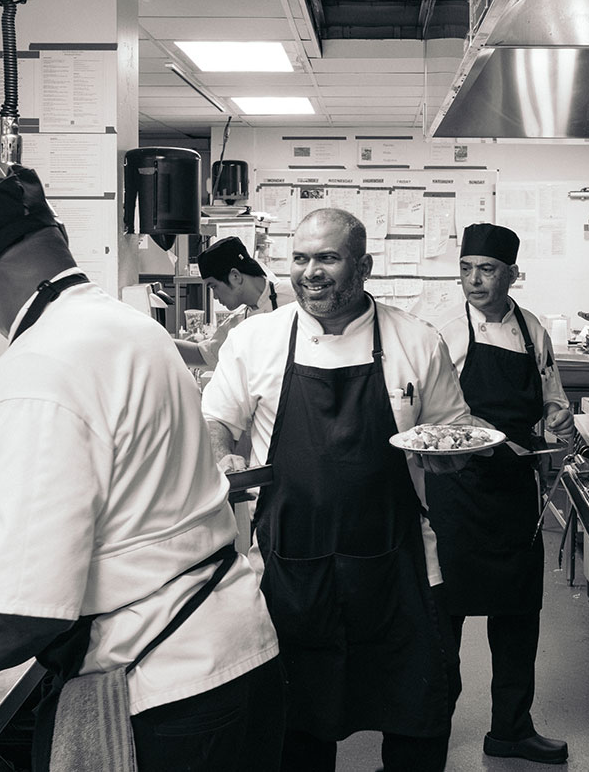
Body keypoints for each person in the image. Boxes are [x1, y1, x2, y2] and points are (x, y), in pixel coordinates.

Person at [0, 166, 285, 772]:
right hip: (239, 649)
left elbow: (22, 614)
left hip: (165, 687)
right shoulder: (134, 330)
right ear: (60, 237)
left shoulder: (28, 376)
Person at [203, 207, 476, 772]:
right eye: (300, 258)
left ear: (364, 265)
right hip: (289, 568)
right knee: (296, 731)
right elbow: (220, 422)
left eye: (327, 258)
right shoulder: (256, 340)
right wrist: (220, 454)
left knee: (418, 719)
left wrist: (453, 456)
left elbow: (454, 429)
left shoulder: (416, 341)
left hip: (399, 567)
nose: (311, 272)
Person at [429, 223, 576, 765]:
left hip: (515, 491)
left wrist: (558, 426)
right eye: (466, 269)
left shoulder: (532, 329)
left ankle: (511, 728)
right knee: (445, 618)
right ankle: (428, 732)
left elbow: (550, 393)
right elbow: (430, 410)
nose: (473, 280)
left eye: (486, 270)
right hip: (458, 490)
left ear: (512, 274)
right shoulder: (444, 327)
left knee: (518, 615)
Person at [176, 235, 295, 368]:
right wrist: (158, 340)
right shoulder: (236, 322)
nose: (214, 296)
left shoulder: (295, 298)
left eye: (214, 286)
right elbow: (204, 354)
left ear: (235, 276)